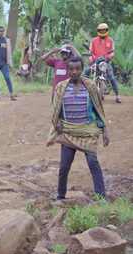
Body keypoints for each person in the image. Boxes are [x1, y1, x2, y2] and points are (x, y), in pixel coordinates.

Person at [47, 56, 109, 200]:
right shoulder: (61, 87)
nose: (74, 72)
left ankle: (101, 197)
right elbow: (56, 109)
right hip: (68, 132)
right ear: (67, 70)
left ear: (82, 69)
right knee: (64, 167)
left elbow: (99, 109)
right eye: (71, 69)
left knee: (93, 163)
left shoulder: (90, 86)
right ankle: (60, 197)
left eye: (78, 69)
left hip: (88, 132)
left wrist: (105, 130)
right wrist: (56, 124)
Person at [83, 23, 121, 103]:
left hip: (105, 62)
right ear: (98, 31)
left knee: (111, 77)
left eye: (104, 30)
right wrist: (90, 57)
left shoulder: (110, 40)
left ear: (107, 30)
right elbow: (90, 52)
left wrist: (110, 56)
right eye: (101, 30)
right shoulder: (94, 41)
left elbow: (112, 52)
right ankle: (82, 91)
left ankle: (117, 96)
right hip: (95, 62)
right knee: (85, 72)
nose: (103, 31)